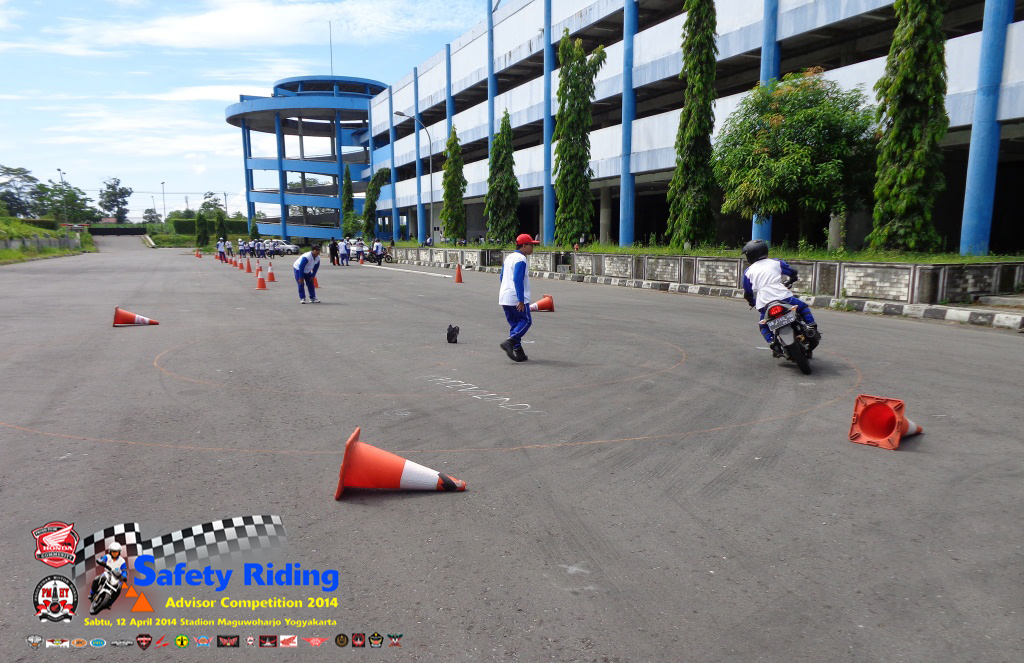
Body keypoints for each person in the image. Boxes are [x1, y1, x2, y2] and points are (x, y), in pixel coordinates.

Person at [741, 239, 819, 354]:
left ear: (751, 255)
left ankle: (773, 343)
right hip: (783, 297)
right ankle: (810, 327)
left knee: (763, 325)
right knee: (803, 307)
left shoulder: (748, 272)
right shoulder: (775, 262)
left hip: (764, 304)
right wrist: (793, 278)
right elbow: (792, 272)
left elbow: (747, 292)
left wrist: (751, 302)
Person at [498, 233, 541, 362]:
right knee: (526, 321)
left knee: (515, 324)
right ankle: (510, 342)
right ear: (524, 246)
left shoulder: (508, 257)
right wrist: (521, 299)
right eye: (531, 245)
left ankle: (518, 351)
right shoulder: (521, 259)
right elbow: (518, 280)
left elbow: (501, 276)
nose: (532, 248)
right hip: (516, 297)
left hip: (504, 296)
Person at [89, 541, 127, 607]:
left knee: (119, 588)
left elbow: (124, 570)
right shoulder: (107, 556)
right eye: (113, 551)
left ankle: (110, 603)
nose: (114, 553)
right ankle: (92, 594)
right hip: (107, 574)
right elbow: (102, 559)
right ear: (110, 551)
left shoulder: (122, 561)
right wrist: (101, 561)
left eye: (116, 552)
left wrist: (124, 576)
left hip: (116, 577)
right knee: (97, 579)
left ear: (119, 552)